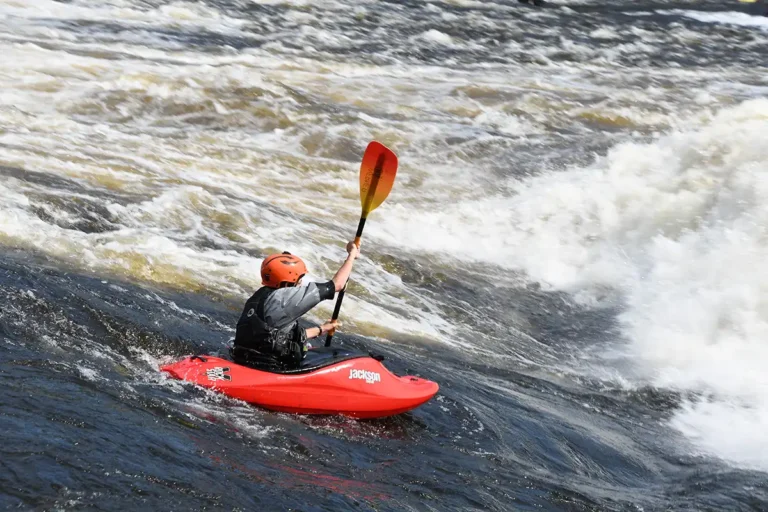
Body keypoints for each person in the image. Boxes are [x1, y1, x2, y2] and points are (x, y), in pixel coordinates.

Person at [231, 240, 360, 370]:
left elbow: (274, 335)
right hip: (270, 367)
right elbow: (337, 284)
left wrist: (321, 329)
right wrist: (351, 256)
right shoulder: (285, 298)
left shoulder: (259, 296)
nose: (301, 283)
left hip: (242, 358)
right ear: (287, 283)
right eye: (299, 279)